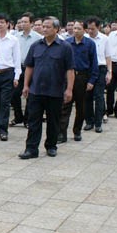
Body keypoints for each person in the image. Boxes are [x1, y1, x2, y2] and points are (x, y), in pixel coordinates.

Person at [19, 17, 74, 160]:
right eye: (43, 26)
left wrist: (69, 89)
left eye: (48, 27)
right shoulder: (35, 45)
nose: (44, 29)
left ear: (56, 29)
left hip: (55, 91)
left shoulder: (65, 47)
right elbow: (29, 67)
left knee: (53, 121)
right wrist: (26, 85)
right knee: (34, 121)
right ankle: (31, 149)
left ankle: (51, 146)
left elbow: (70, 70)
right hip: (36, 90)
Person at [59, 20, 97, 143]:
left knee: (81, 106)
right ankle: (62, 133)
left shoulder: (90, 44)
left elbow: (93, 63)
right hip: (68, 77)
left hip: (82, 77)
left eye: (78, 28)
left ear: (84, 30)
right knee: (65, 106)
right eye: (74, 28)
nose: (75, 31)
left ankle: (77, 131)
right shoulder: (67, 43)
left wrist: (91, 80)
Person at [0, 14, 21, 141]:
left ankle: (3, 129)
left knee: (5, 103)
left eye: (2, 22)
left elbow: (17, 59)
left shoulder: (13, 40)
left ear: (7, 24)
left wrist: (17, 77)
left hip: (8, 73)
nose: (0, 25)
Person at [11, 13, 42, 127]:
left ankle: (27, 119)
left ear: (31, 23)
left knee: (30, 94)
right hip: (18, 68)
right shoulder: (15, 37)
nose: (22, 24)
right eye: (21, 22)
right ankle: (18, 116)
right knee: (14, 94)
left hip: (32, 68)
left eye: (25, 22)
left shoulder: (38, 38)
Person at [84, 17, 111, 133]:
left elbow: (108, 56)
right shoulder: (84, 39)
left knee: (99, 96)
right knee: (87, 96)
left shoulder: (105, 39)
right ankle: (89, 121)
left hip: (100, 69)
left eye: (93, 29)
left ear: (98, 27)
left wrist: (109, 72)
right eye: (88, 29)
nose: (90, 31)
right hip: (87, 69)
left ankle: (98, 123)